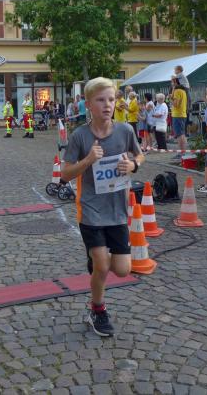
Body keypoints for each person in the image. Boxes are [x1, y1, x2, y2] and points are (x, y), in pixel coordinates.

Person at [61, 77, 142, 338]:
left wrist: (133, 165)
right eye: (100, 100)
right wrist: (88, 160)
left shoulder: (125, 131)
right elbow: (65, 174)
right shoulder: (80, 136)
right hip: (91, 210)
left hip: (117, 210)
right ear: (88, 104)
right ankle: (98, 309)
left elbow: (140, 154)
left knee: (123, 269)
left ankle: (95, 260)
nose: (107, 105)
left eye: (111, 99)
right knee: (102, 266)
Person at [170, 76, 188, 156]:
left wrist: (170, 99)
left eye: (172, 82)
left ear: (175, 82)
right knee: (182, 134)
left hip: (178, 115)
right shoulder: (183, 91)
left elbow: (176, 104)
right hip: (181, 114)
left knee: (179, 135)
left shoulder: (177, 91)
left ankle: (181, 153)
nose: (171, 83)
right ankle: (182, 152)